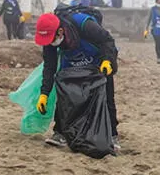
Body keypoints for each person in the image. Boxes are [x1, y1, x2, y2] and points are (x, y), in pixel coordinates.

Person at [33, 10, 119, 149]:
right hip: (72, 63)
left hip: (99, 61)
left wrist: (107, 60)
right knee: (64, 95)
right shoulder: (49, 40)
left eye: (52, 39)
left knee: (106, 96)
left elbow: (107, 40)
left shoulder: (84, 24)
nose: (50, 43)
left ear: (60, 31)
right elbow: (50, 67)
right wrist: (44, 93)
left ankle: (112, 135)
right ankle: (60, 134)